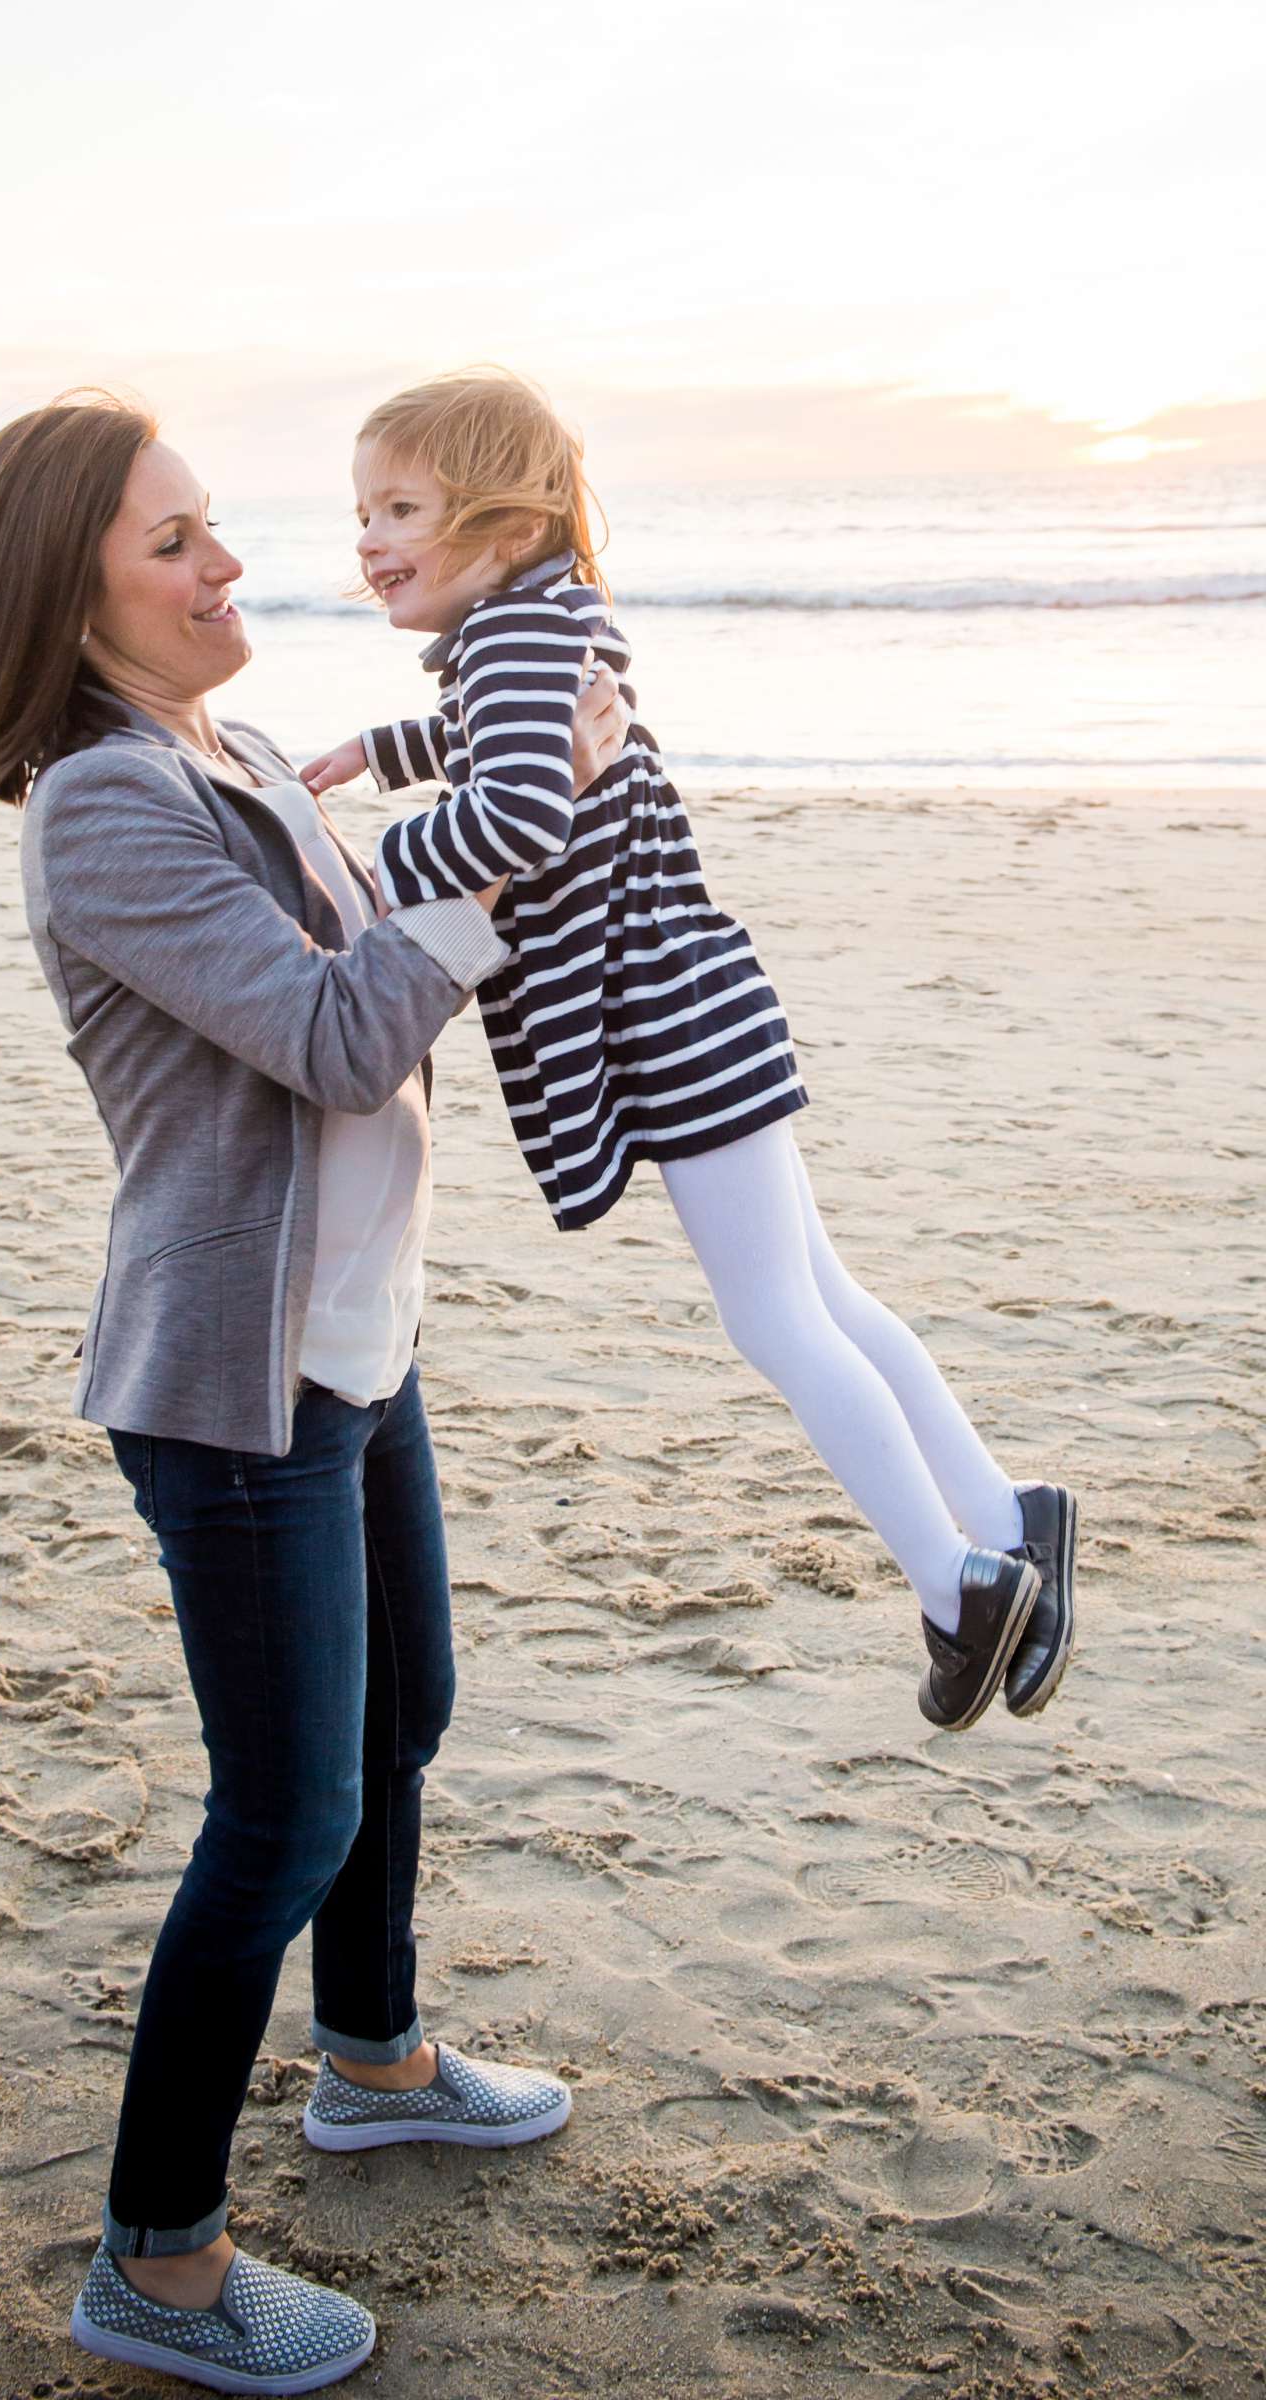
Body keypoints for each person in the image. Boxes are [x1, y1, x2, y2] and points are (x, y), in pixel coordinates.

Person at [0, 391, 627, 2394]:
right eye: (176, 543)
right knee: (281, 1814)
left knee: (405, 1714)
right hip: (234, 1387)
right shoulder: (104, 806)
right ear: (73, 601)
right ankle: (155, 2259)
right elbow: (331, 1032)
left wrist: (522, 797)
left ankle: (379, 2063)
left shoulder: (217, 750)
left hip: (352, 1338)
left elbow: (403, 926)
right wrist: (498, 870)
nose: (230, 563)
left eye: (216, 526)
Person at [303, 367, 1078, 1737]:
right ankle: (1006, 1512)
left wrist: (389, 855)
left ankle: (961, 1585)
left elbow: (523, 806)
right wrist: (388, 743)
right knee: (822, 1294)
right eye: (362, 509)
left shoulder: (517, 637)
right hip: (696, 995)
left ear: (509, 525)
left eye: (401, 507)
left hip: (669, 1015)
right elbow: (514, 742)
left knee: (779, 1317)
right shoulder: (530, 629)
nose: (369, 537)